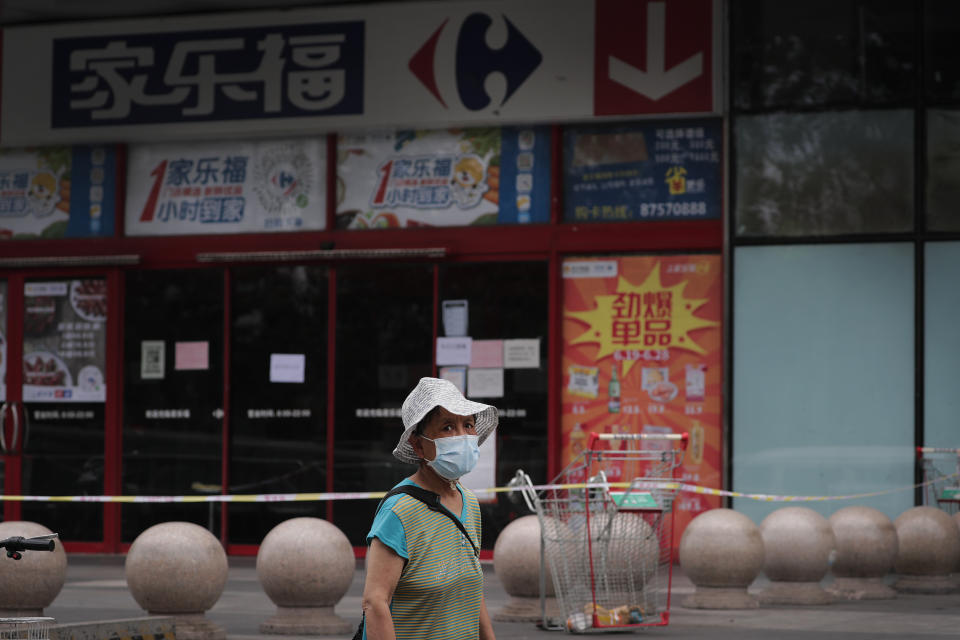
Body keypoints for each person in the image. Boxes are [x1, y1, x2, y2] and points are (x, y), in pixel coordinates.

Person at [361, 377, 498, 640]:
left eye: (468, 425)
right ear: (417, 444)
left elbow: (470, 587)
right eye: (447, 427)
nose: (462, 435)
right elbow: (375, 603)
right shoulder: (399, 512)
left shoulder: (468, 502)